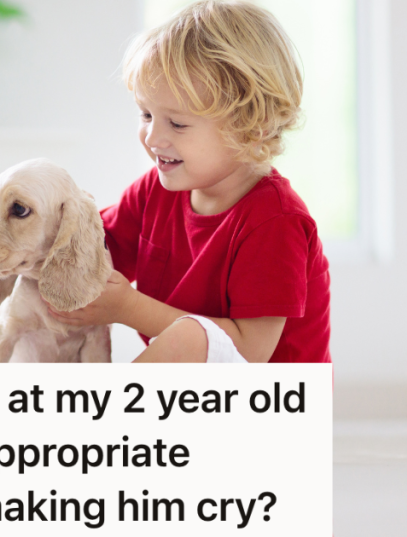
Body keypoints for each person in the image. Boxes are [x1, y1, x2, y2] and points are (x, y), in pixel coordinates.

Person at [49, 0, 330, 364]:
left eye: (177, 123)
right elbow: (97, 252)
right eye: (146, 114)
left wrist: (127, 307)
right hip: (201, 401)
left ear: (252, 127)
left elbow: (249, 350)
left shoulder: (275, 221)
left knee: (191, 339)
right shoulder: (154, 191)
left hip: (273, 405)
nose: (152, 137)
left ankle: (97, 417)